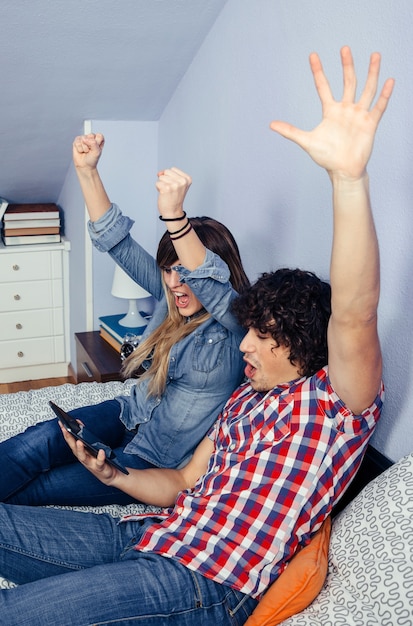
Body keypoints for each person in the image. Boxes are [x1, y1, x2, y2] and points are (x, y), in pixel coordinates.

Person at [0, 47, 394, 625]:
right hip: (151, 535)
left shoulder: (335, 405)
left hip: (201, 578)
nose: (244, 345)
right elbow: (184, 480)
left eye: (261, 336)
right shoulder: (244, 399)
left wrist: (349, 179)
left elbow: (356, 312)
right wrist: (113, 474)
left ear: (305, 343)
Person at [0, 152, 249, 506]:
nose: (176, 283)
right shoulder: (170, 299)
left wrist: (175, 216)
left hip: (152, 459)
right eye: (168, 270)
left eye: (186, 272)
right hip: (125, 414)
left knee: (42, 487)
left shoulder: (238, 327)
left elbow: (210, 283)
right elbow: (118, 243)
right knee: (37, 442)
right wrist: (87, 172)